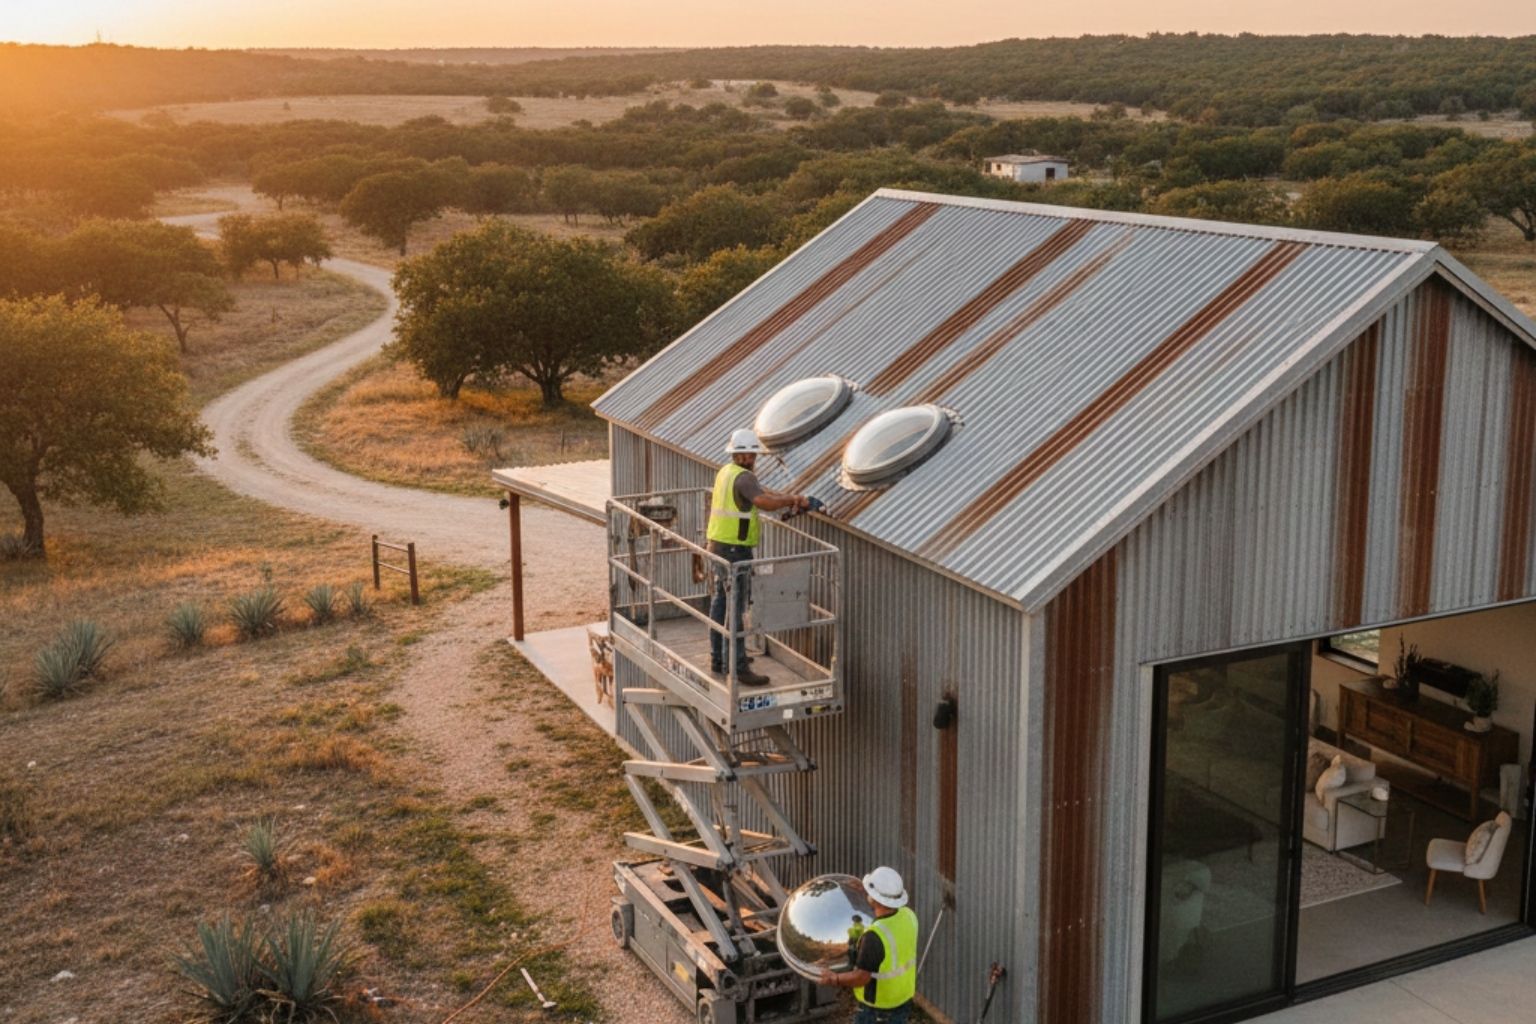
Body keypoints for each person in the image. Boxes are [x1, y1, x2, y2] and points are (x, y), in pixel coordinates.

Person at [706, 428, 811, 685]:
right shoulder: (745, 478)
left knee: (721, 601)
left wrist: (788, 498)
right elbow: (762, 500)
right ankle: (739, 667)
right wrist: (794, 500)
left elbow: (761, 494)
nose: (752, 457)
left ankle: (719, 658)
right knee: (737, 607)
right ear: (747, 454)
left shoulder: (726, 472)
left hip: (717, 545)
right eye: (751, 453)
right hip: (735, 551)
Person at [818, 867, 919, 1023]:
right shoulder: (909, 915)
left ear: (876, 900)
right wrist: (867, 892)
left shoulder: (874, 936)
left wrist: (835, 978)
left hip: (879, 1009)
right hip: (903, 999)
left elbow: (861, 978)